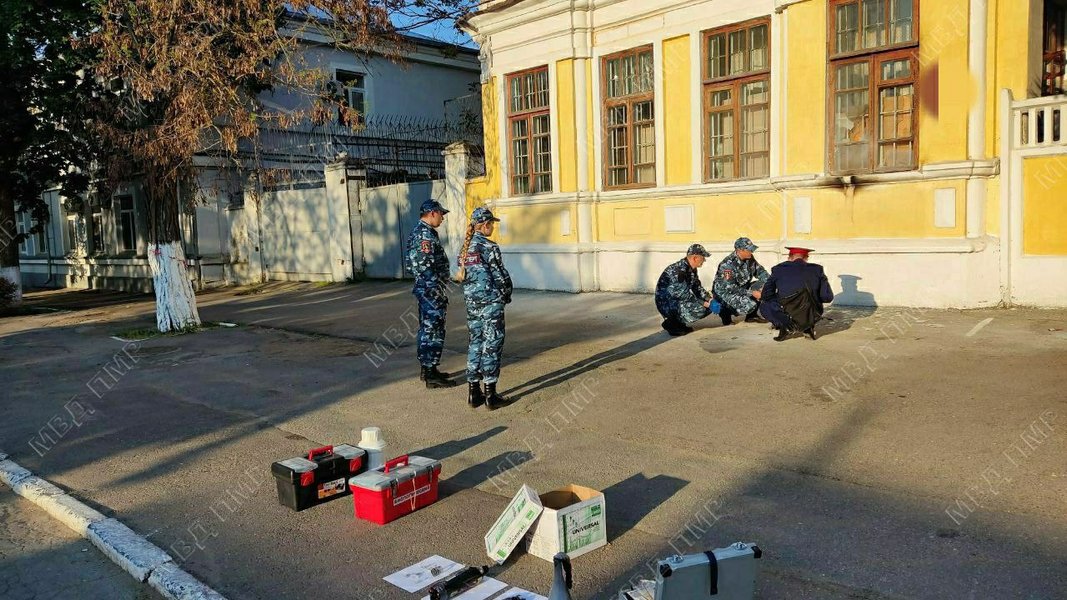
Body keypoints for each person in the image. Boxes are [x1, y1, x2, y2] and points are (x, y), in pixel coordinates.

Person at [457, 207, 513, 410]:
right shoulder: (489, 247)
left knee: (475, 343)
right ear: (486, 224)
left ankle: (473, 392)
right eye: (492, 224)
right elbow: (501, 276)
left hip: (472, 304)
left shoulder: (464, 249)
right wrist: (506, 294)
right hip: (491, 304)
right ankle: (490, 394)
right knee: (491, 344)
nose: (493, 227)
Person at [405, 199, 456, 389]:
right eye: (441, 214)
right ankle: (430, 374)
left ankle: (429, 369)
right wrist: (436, 292)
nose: (443, 218)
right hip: (430, 291)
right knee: (432, 330)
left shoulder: (425, 233)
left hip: (429, 289)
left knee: (429, 329)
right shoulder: (424, 236)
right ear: (432, 213)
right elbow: (424, 267)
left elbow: (412, 266)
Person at [759, 247, 835, 341]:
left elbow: (766, 294)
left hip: (787, 311)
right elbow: (827, 297)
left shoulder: (778, 269)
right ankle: (808, 327)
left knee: (765, 304)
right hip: (811, 314)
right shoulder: (817, 269)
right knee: (812, 302)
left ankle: (785, 326)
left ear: (789, 257)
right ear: (806, 257)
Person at [654, 244, 716, 336]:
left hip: (676, 301)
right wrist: (705, 304)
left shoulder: (691, 269)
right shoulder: (679, 271)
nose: (704, 260)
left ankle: (679, 323)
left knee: (708, 306)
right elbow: (684, 295)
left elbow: (697, 288)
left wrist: (709, 299)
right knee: (702, 308)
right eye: (703, 258)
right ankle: (671, 323)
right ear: (695, 258)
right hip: (667, 303)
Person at [712, 237, 770, 326]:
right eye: (749, 250)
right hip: (726, 292)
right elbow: (729, 287)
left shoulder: (749, 259)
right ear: (740, 250)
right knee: (749, 305)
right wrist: (752, 293)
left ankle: (751, 316)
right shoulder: (727, 265)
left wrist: (770, 283)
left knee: (764, 286)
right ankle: (725, 314)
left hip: (742, 287)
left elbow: (760, 272)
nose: (752, 252)